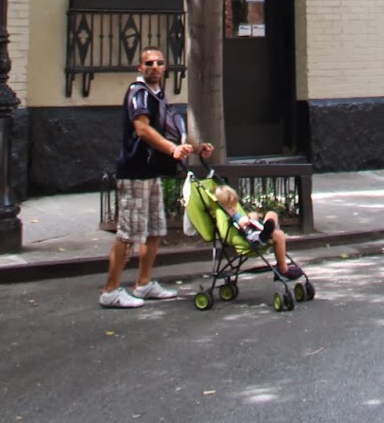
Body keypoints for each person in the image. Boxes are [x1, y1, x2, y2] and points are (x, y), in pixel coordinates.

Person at [99, 47, 212, 309]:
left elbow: (172, 131)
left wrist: (196, 148)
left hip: (152, 172)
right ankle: (110, 290)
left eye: (159, 63)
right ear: (140, 68)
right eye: (149, 63)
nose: (155, 67)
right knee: (128, 232)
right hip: (134, 172)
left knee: (154, 230)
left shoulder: (158, 95)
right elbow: (142, 129)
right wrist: (172, 150)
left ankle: (144, 283)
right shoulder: (138, 93)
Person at [213, 183, 302, 279]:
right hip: (253, 238)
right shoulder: (229, 217)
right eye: (230, 207)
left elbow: (246, 218)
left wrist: (252, 215)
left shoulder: (234, 213)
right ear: (222, 207)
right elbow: (241, 222)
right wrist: (247, 219)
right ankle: (283, 269)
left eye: (235, 205)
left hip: (256, 229)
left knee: (272, 214)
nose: (234, 209)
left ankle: (269, 231)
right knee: (279, 235)